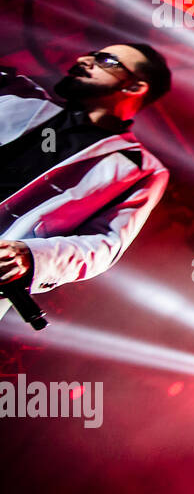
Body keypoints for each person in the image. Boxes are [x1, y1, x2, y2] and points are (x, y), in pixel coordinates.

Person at [0, 43, 171, 321]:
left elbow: (103, 245)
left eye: (105, 60)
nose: (83, 59)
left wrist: (31, 257)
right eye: (91, 54)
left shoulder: (141, 169)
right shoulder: (16, 93)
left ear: (135, 87)